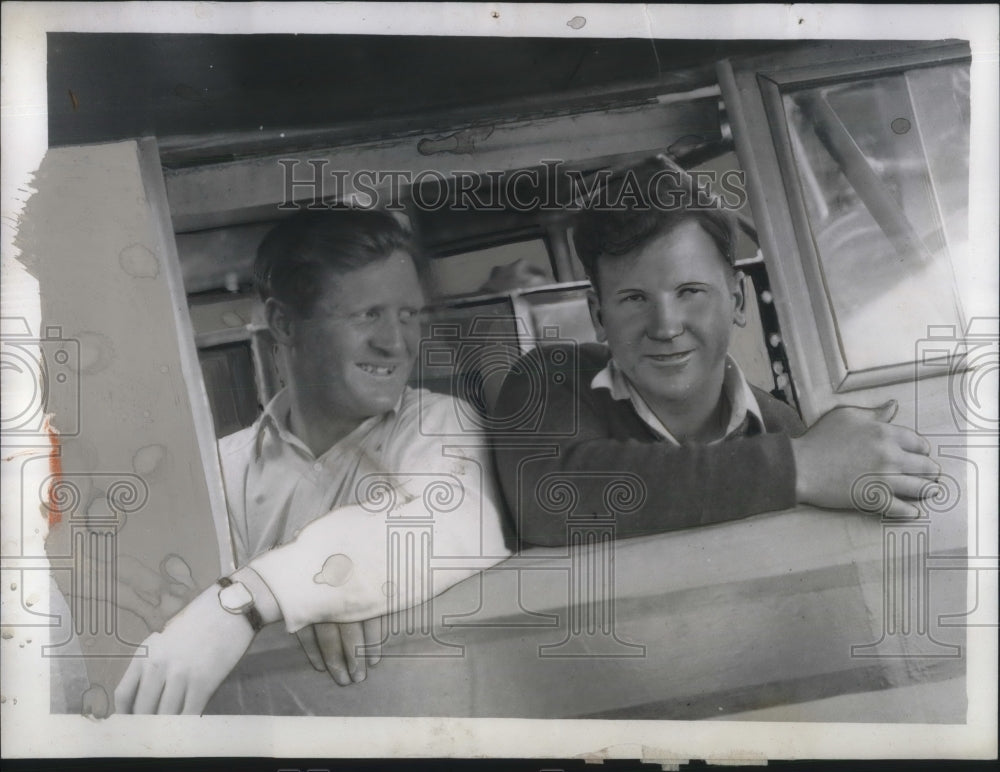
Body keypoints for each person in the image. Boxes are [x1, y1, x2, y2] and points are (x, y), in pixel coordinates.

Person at [115, 208, 511, 714]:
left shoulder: (440, 426)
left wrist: (254, 598)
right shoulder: (222, 470)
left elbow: (451, 524)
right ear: (284, 323)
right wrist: (330, 591)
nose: (395, 342)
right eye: (367, 314)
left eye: (408, 315)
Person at [491, 161, 941, 546]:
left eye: (690, 291)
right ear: (598, 314)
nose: (666, 327)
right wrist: (796, 466)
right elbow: (550, 496)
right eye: (633, 299)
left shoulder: (779, 423)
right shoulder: (551, 379)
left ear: (739, 301)